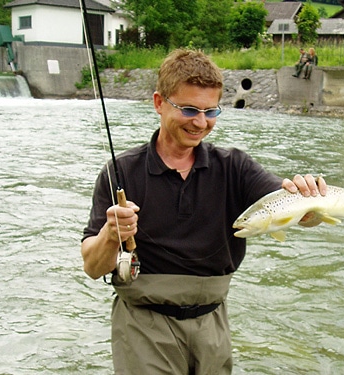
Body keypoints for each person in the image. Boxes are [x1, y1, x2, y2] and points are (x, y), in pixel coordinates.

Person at [81, 48, 327, 375]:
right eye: (188, 109)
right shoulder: (121, 171)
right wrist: (111, 235)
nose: (200, 123)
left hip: (213, 323)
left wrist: (311, 206)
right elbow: (92, 267)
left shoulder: (234, 167)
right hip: (143, 327)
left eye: (211, 112)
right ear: (158, 103)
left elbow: (288, 204)